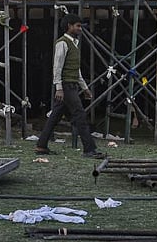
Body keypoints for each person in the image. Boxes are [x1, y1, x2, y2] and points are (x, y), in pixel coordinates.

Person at [34, 13, 104, 159]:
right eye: (77, 26)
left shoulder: (74, 44)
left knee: (55, 116)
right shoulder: (63, 43)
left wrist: (84, 88)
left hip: (71, 85)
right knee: (80, 115)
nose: (80, 29)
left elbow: (76, 69)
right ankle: (89, 149)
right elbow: (57, 67)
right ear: (69, 26)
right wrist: (59, 88)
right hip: (66, 86)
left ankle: (41, 145)